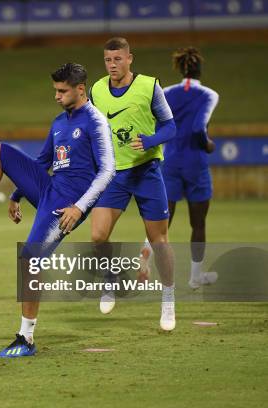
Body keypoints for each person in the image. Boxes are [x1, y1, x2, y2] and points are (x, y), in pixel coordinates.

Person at [0, 63, 115, 357]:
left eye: (62, 91)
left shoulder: (95, 121)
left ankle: (26, 338)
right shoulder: (59, 122)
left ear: (80, 89)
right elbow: (43, 161)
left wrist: (80, 208)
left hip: (67, 204)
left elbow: (108, 171)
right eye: (55, 90)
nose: (56, 96)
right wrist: (16, 195)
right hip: (48, 189)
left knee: (30, 259)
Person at [89, 37, 178, 331]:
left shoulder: (150, 86)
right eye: (107, 60)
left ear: (130, 59)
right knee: (98, 236)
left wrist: (151, 141)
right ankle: (110, 279)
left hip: (146, 171)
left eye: (117, 59)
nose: (112, 65)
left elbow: (171, 126)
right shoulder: (97, 90)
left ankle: (168, 298)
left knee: (159, 242)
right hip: (114, 174)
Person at [140, 47, 219, 289]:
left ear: (181, 68)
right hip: (195, 163)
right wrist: (207, 145)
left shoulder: (166, 93)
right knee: (198, 223)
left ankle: (144, 258)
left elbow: (157, 122)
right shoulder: (208, 94)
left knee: (161, 220)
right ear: (199, 70)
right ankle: (196, 277)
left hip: (170, 161)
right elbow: (198, 127)